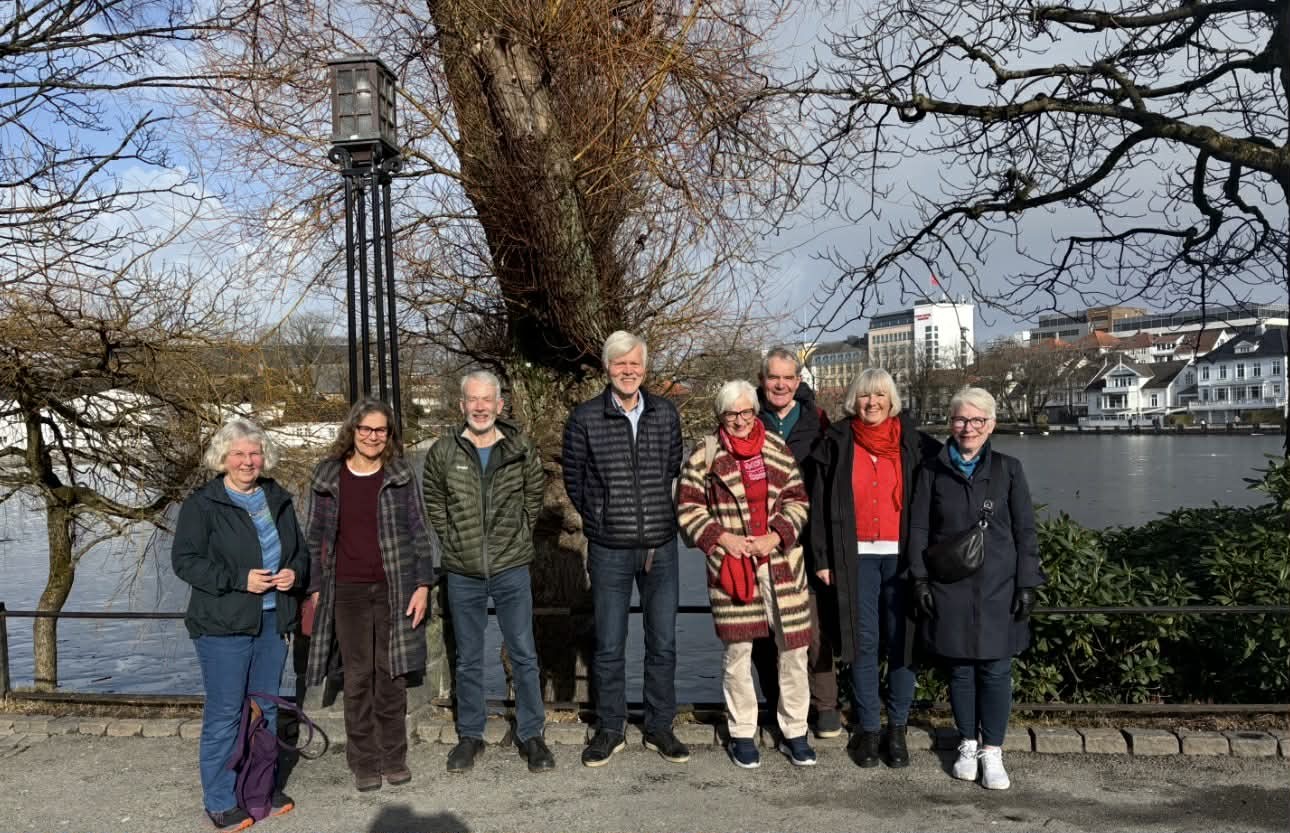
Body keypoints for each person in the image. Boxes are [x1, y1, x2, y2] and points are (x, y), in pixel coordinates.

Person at [172, 418, 308, 831]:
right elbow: (185, 562)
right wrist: (239, 579)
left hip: (272, 621)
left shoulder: (277, 498)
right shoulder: (203, 505)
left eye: (254, 453)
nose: (248, 461)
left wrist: (294, 573)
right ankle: (220, 800)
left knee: (266, 708)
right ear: (223, 458)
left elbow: (300, 553)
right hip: (222, 625)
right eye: (239, 454)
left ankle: (258, 789)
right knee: (227, 713)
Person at [907, 386, 1045, 790]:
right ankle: (967, 742)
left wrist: (1027, 582)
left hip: (998, 585)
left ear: (991, 424)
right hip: (949, 584)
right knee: (961, 670)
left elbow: (1025, 530)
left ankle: (993, 750)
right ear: (950, 423)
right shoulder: (931, 470)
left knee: (996, 669)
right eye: (960, 419)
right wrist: (919, 578)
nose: (968, 428)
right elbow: (918, 528)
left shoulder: (1008, 469)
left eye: (977, 420)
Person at [562, 330, 689, 767]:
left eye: (635, 363)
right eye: (620, 364)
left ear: (645, 368)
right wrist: (600, 518)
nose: (628, 371)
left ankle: (659, 726)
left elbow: (672, 468)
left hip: (660, 545)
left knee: (663, 643)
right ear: (607, 368)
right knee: (610, 645)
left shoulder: (665, 414)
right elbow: (575, 479)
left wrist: (658, 515)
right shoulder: (585, 419)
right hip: (609, 548)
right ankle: (610, 728)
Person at [678, 380, 817, 768]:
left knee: (794, 650)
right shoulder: (705, 453)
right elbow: (688, 507)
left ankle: (795, 730)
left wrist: (776, 535)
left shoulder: (775, 448)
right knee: (738, 652)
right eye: (731, 414)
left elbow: (797, 500)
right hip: (732, 563)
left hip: (780, 563)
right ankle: (742, 731)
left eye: (745, 412)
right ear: (720, 416)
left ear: (755, 412)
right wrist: (723, 538)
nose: (739, 421)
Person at [422, 370, 554, 774]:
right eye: (472, 400)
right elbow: (434, 502)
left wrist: (518, 535)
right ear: (462, 404)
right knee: (467, 657)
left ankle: (531, 734)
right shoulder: (444, 451)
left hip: (510, 565)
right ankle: (470, 735)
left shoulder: (519, 448)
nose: (479, 407)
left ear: (500, 404)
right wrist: (455, 540)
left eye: (487, 400)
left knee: (523, 652)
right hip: (463, 570)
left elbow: (534, 496)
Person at [811, 368, 940, 769]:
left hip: (902, 558)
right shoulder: (836, 442)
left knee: (902, 641)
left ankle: (897, 729)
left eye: (880, 395)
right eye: (865, 396)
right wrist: (822, 558)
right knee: (862, 642)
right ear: (855, 400)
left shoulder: (914, 443)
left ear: (891, 400)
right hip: (855, 558)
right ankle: (868, 729)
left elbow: (945, 485)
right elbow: (818, 504)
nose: (872, 403)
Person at [304, 398, 435, 792]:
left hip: (396, 587)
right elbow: (314, 537)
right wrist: (314, 588)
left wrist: (423, 585)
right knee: (358, 676)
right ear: (353, 430)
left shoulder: (399, 474)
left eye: (380, 430)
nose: (373, 437)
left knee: (391, 673)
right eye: (366, 429)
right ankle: (364, 760)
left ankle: (393, 756)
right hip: (346, 590)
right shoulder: (328, 475)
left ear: (389, 434)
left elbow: (419, 532)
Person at [752, 347, 839, 738]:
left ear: (798, 381)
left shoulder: (816, 420)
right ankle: (778, 704)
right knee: (764, 630)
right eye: (774, 377)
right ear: (762, 380)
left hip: (806, 537)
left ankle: (825, 706)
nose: (781, 384)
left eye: (788, 378)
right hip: (760, 538)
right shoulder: (749, 417)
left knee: (812, 629)